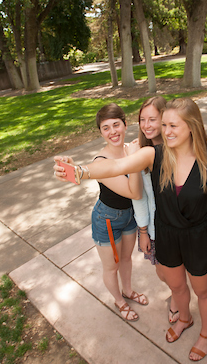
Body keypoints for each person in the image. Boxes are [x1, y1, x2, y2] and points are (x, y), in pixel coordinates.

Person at [54, 98, 207, 361]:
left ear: (192, 127)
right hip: (167, 235)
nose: (166, 131)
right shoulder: (154, 155)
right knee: (177, 288)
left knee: (202, 291)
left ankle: (205, 334)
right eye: (164, 124)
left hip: (199, 239)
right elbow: (115, 166)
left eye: (173, 126)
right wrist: (79, 170)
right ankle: (184, 319)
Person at [80, 103, 148, 322]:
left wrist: (134, 154)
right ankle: (119, 301)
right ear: (101, 133)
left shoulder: (131, 149)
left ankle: (128, 291)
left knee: (126, 258)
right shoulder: (100, 163)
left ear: (125, 124)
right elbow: (134, 193)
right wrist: (136, 160)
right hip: (108, 219)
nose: (112, 132)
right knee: (112, 266)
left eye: (116, 125)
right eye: (106, 128)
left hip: (129, 217)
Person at [128, 96, 181, 324]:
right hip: (155, 228)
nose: (147, 125)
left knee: (176, 273)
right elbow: (139, 197)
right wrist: (142, 231)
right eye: (142, 120)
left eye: (152, 119)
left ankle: (179, 300)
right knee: (161, 273)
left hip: (179, 227)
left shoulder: (178, 149)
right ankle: (178, 291)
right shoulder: (141, 152)